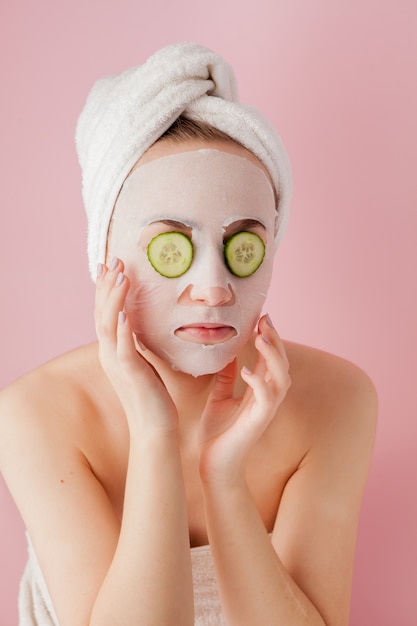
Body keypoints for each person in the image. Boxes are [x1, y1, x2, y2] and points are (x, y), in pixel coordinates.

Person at [0, 43, 377, 626]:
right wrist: (154, 431)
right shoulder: (35, 412)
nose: (213, 288)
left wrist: (224, 479)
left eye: (241, 249)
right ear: (104, 259)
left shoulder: (340, 398)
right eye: (172, 248)